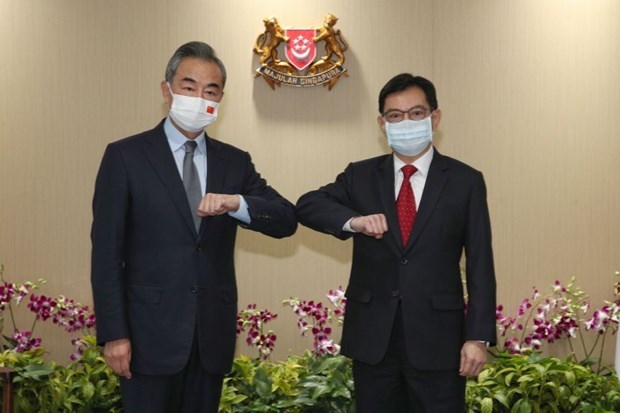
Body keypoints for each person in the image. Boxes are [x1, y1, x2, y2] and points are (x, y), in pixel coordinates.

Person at [91, 41, 297, 413]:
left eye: (210, 90)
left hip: (209, 339)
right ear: (166, 89)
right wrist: (114, 334)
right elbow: (106, 253)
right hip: (145, 336)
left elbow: (285, 220)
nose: (199, 97)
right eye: (189, 87)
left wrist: (238, 203)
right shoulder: (125, 156)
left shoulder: (234, 162)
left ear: (220, 99)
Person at [296, 73, 496, 412]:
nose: (407, 122)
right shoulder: (360, 175)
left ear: (435, 118)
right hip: (374, 340)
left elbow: (481, 264)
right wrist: (353, 221)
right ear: (381, 123)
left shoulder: (465, 181)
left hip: (439, 340)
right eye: (395, 116)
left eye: (416, 114)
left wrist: (477, 338)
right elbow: (307, 205)